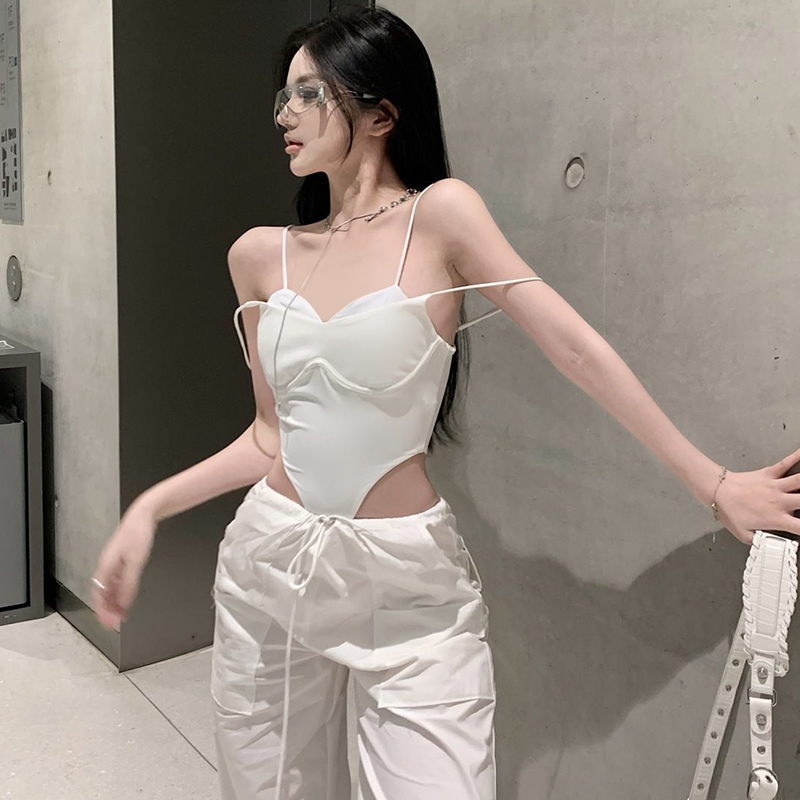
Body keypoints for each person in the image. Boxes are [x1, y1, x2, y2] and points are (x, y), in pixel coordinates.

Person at [90, 5, 800, 799]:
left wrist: (713, 483)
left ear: (381, 113)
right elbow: (269, 436)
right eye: (281, 97)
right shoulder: (257, 256)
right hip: (272, 567)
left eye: (308, 94)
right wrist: (150, 507)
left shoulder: (441, 217)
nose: (283, 114)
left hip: (406, 584)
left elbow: (574, 349)